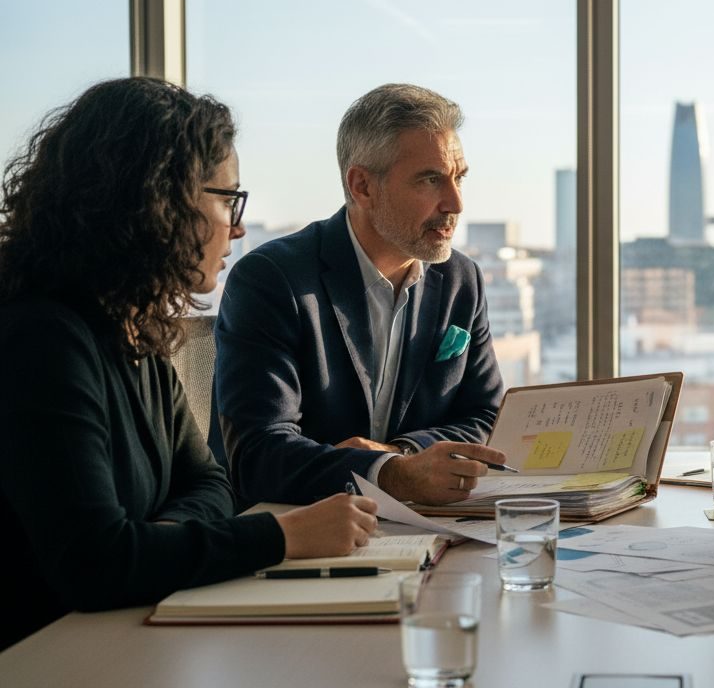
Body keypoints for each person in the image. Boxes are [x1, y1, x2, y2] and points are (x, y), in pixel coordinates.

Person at [0, 78, 379, 650]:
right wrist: (280, 536)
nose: (240, 225)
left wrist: (156, 541)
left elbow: (210, 482)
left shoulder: (134, 330)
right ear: (159, 197)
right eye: (228, 198)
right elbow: (94, 563)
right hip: (50, 655)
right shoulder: (42, 338)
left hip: (126, 639)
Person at [214, 83, 507, 507]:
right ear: (362, 186)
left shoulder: (461, 279)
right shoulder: (272, 280)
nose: (455, 202)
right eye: (431, 179)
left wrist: (402, 455)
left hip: (422, 527)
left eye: (459, 178)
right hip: (299, 532)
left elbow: (486, 415)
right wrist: (388, 475)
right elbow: (258, 453)